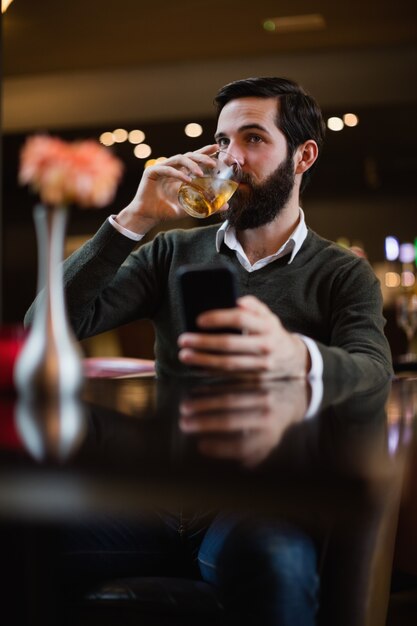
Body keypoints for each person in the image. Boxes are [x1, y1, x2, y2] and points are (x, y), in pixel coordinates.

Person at [26, 77, 393, 625]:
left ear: (303, 156)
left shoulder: (342, 273)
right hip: (159, 493)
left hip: (262, 498)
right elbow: (44, 326)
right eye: (222, 142)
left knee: (275, 559)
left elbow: (373, 368)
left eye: (252, 139)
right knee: (24, 534)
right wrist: (136, 219)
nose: (230, 157)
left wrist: (297, 357)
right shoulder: (170, 250)